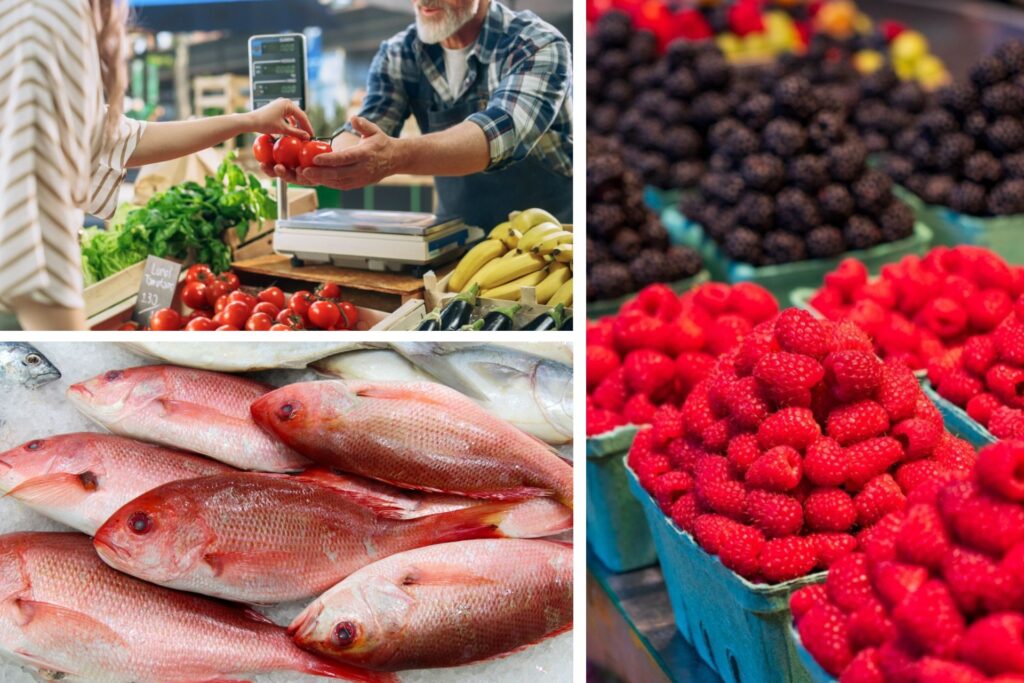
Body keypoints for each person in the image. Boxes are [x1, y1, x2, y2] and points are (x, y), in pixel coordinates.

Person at [0, 0, 313, 331]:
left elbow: (114, 138)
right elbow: (33, 222)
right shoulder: (45, 11)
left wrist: (250, 120)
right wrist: (74, 350)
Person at [261, 0, 572, 229]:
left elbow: (499, 133)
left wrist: (396, 156)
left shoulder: (537, 44)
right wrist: (327, 159)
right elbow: (369, 123)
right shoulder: (401, 52)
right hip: (458, 234)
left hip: (552, 239)